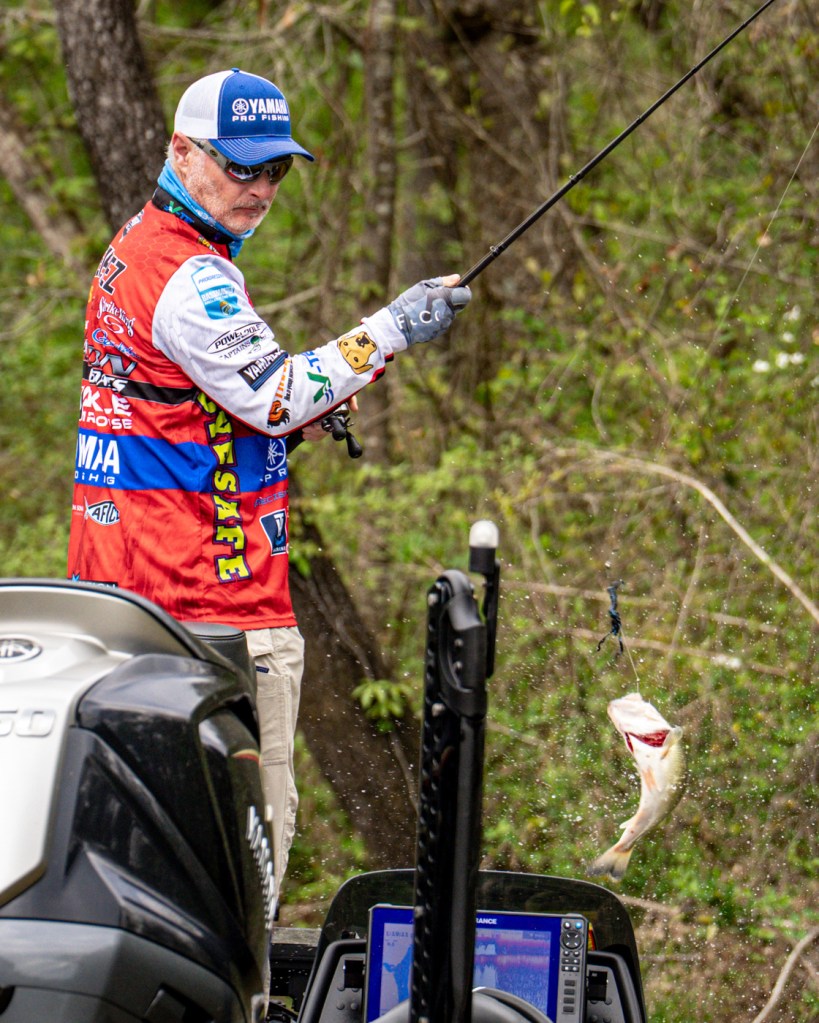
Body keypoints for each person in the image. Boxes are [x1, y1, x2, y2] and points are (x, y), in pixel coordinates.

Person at [67, 67, 471, 905]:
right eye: (240, 166)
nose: (259, 189)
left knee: (150, 868)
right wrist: (391, 328)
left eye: (276, 168)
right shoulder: (191, 275)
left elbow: (185, 410)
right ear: (182, 152)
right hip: (211, 614)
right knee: (240, 879)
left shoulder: (136, 246)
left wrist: (286, 421)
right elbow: (277, 392)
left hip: (131, 604)